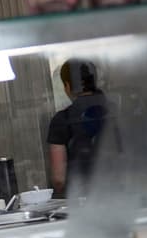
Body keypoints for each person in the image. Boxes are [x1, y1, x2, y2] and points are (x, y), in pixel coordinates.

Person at [47, 59, 118, 199]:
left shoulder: (62, 120)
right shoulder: (117, 111)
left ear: (67, 86)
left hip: (82, 199)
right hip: (120, 194)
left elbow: (59, 179)